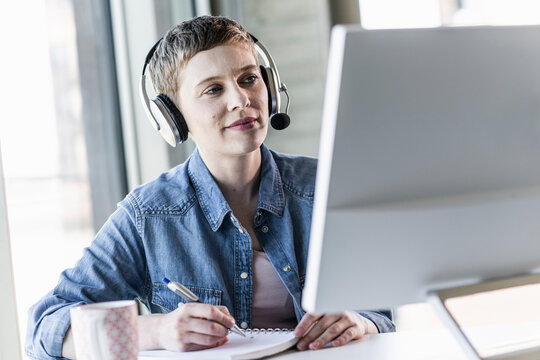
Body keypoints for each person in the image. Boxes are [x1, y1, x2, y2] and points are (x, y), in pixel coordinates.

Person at [25, 15, 395, 359]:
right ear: (174, 118)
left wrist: (360, 321)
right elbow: (44, 328)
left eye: (248, 79)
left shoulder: (325, 187)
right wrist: (155, 330)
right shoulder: (149, 215)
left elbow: (378, 311)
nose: (241, 100)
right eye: (213, 90)